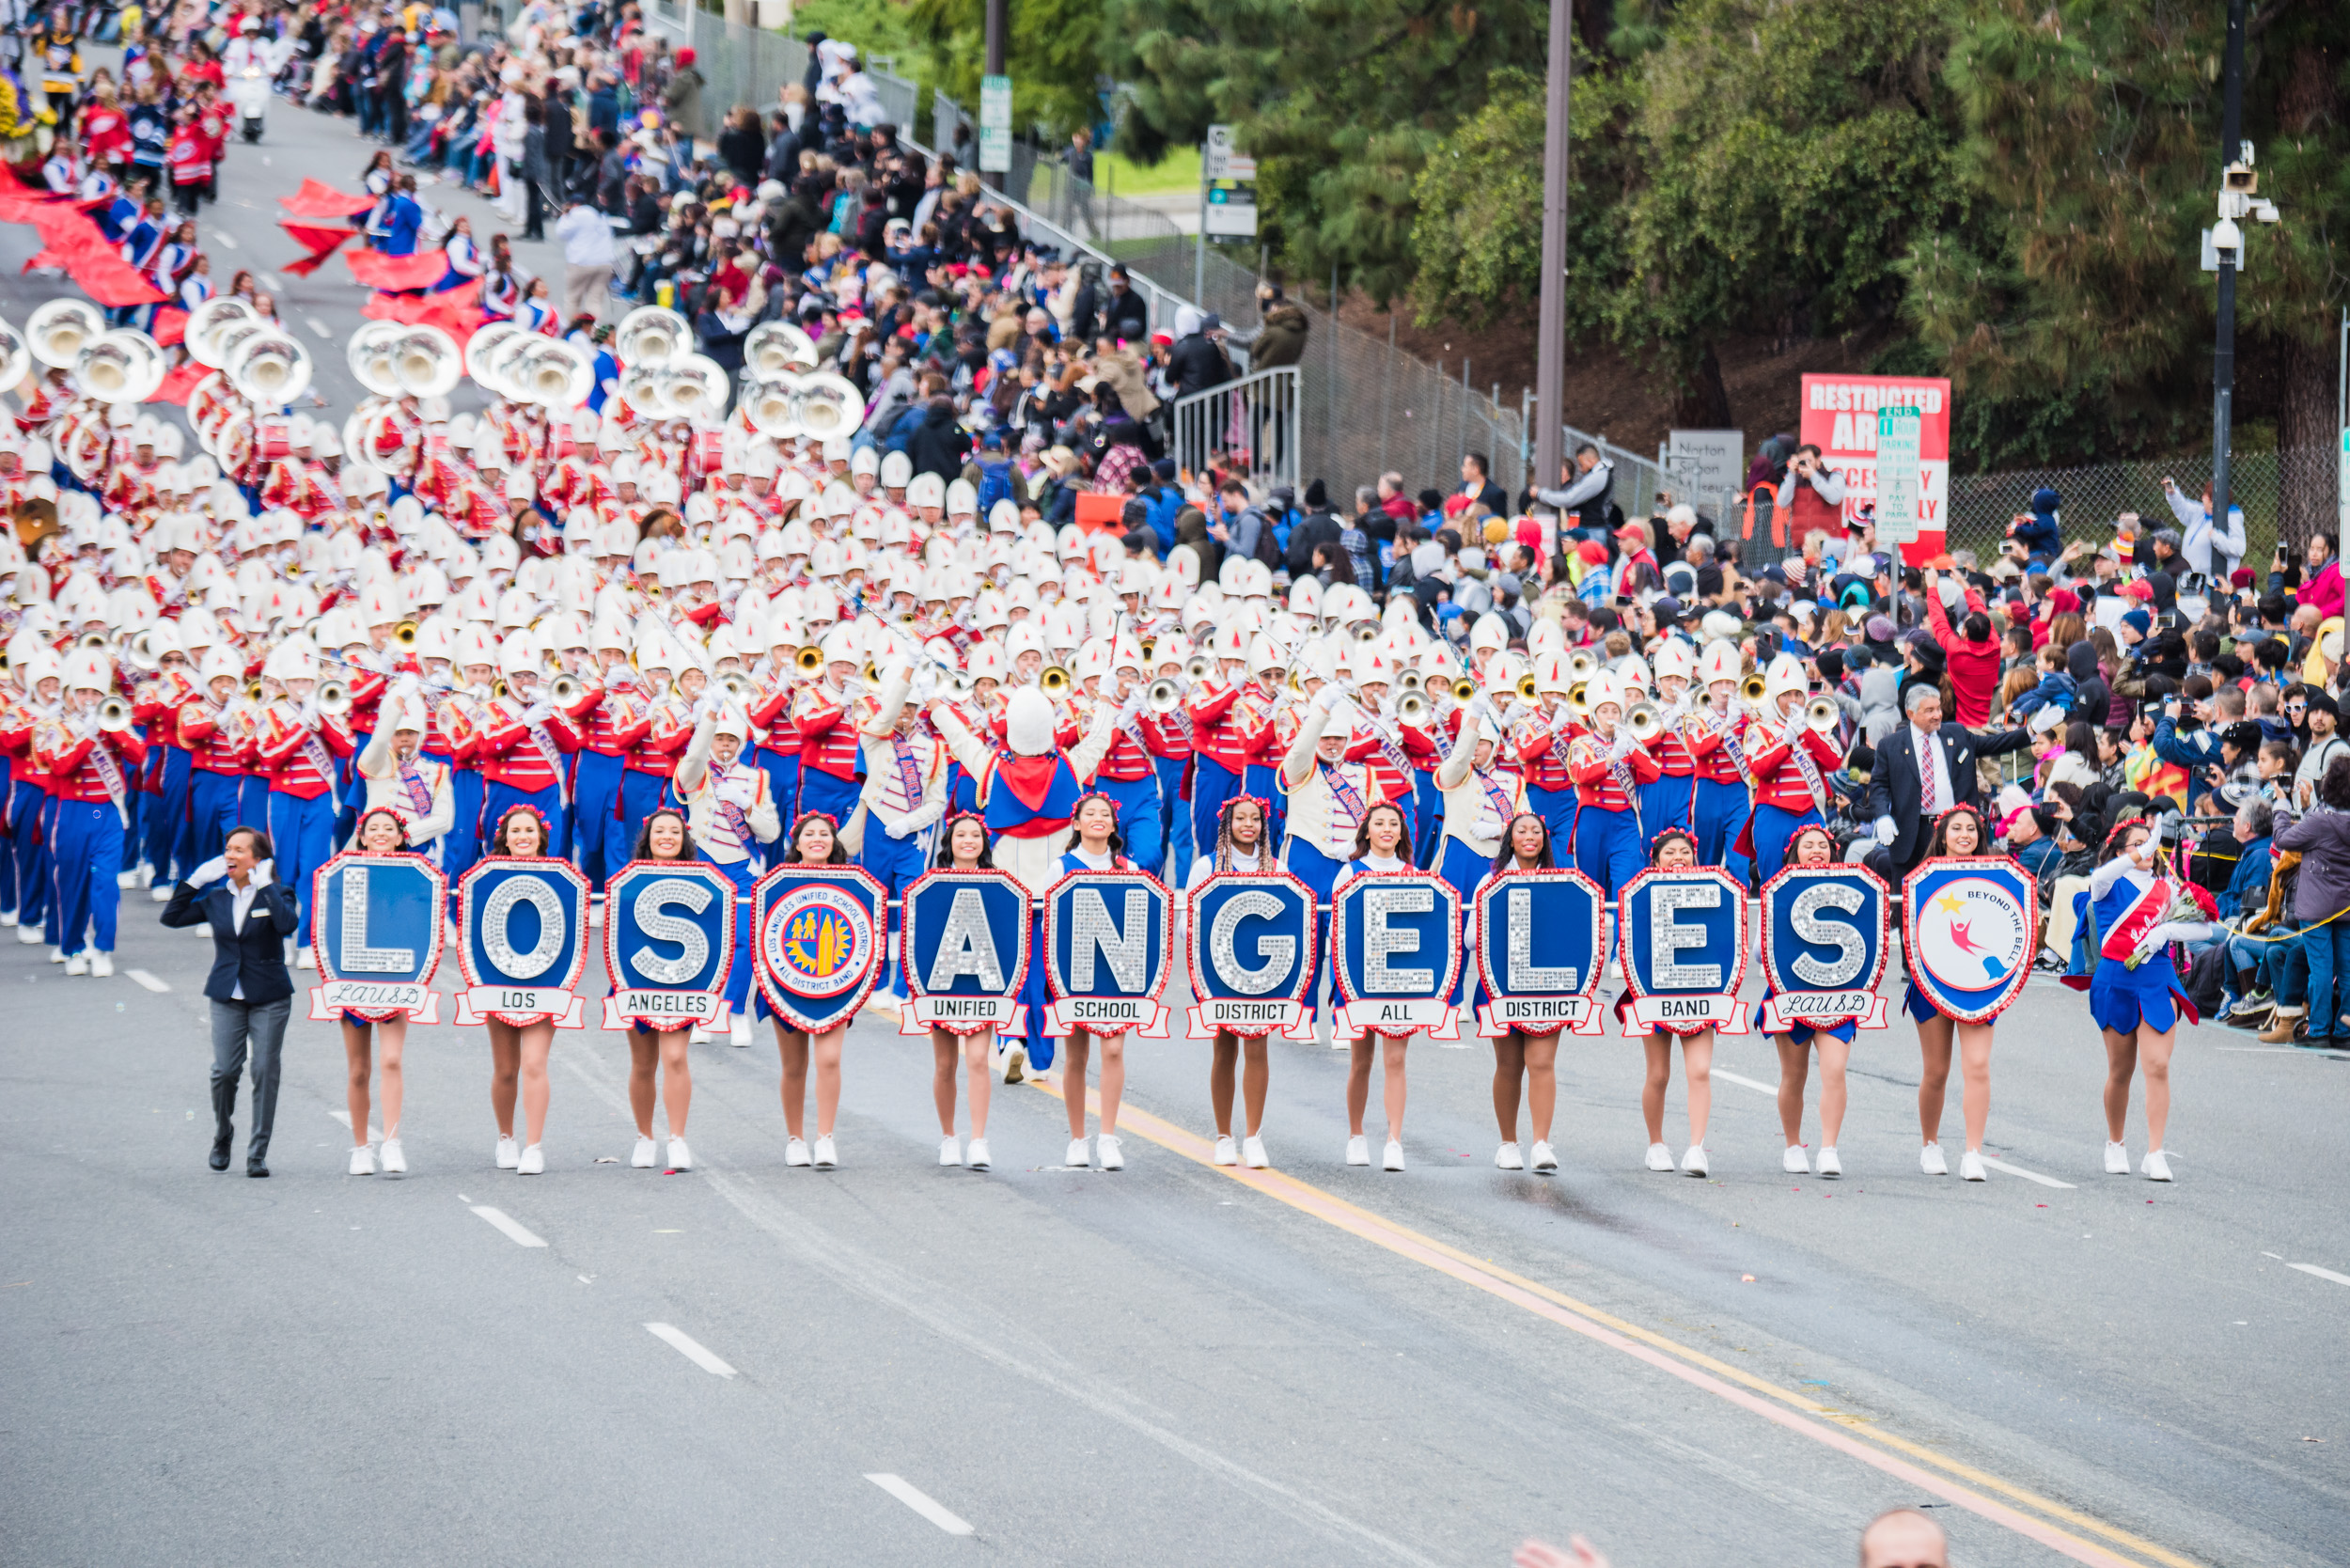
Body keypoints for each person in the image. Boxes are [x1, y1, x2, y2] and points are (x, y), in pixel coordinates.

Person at [2076, 815, 2217, 1183]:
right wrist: (2142, 848)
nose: (2146, 850)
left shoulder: (2167, 889)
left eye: (2150, 843)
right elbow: (2099, 877)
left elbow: (2208, 928)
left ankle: (2155, 1152)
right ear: (2119, 851)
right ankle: (2116, 1142)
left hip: (2157, 979)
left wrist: (2167, 930)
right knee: (2120, 1070)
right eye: (2136, 843)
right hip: (2116, 979)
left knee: (2157, 1065)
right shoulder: (2108, 885)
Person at [163, 825, 297, 1177]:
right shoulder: (217, 899)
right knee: (224, 1071)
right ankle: (223, 1134)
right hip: (226, 995)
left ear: (258, 859)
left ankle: (257, 1152)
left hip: (269, 996)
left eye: (239, 850)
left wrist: (266, 885)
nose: (230, 856)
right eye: (228, 849)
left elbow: (287, 926)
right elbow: (171, 918)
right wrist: (194, 881)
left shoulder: (279, 893)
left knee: (264, 1070)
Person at [1904, 805, 2023, 1181]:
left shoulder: (2000, 875)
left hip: (1980, 985)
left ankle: (1973, 1151)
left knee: (1977, 1066)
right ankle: (1930, 1144)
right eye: (1956, 829)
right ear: (1941, 836)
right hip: (1932, 981)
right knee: (1936, 1071)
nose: (1964, 835)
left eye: (1971, 829)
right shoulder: (1922, 877)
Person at [673, 698, 780, 1047]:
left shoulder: (757, 778)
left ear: (741, 744)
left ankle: (734, 1012)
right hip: (704, 864)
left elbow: (771, 833)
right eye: (719, 738)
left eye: (731, 739)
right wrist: (708, 718)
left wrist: (747, 804)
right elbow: (689, 764)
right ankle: (702, 1011)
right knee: (700, 939)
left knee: (743, 942)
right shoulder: (698, 773)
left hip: (743, 867)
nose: (724, 745)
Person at [329, 808, 427, 1175]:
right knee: (358, 1070)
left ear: (401, 836)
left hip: (395, 981)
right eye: (374, 829)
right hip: (354, 979)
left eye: (389, 828)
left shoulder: (415, 876)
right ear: (363, 836)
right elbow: (329, 926)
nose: (382, 833)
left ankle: (392, 1141)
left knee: (391, 1060)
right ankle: (359, 1146)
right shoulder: (343, 872)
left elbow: (421, 929)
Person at [1330, 802, 1422, 1170]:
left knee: (1396, 1059)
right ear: (1366, 831)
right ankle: (1356, 1135)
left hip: (1400, 977)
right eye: (1379, 823)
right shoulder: (1348, 872)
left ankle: (1394, 1141)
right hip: (1358, 977)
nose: (1387, 829)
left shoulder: (1415, 874)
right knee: (1361, 1061)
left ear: (1402, 832)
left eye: (1394, 824)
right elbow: (1338, 928)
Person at [1187, 795, 1277, 1168]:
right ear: (1227, 823)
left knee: (1257, 1048)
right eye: (1240, 818)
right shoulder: (1205, 867)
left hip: (1263, 975)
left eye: (1255, 819)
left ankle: (1253, 1136)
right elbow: (1187, 924)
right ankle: (1224, 1136)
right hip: (1217, 972)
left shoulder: (1277, 867)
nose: (1248, 825)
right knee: (1224, 1048)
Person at [1864, 682, 2029, 884]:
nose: (1937, 715)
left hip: (1954, 828)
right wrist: (1882, 816)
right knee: (1907, 900)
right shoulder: (1890, 745)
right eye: (1929, 710)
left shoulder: (1957, 733)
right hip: (1911, 832)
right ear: (1911, 713)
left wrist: (2031, 732)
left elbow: (1995, 744)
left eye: (1939, 708)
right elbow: (1879, 785)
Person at [1762, 824, 1855, 1176]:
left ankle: (1829, 1148)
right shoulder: (1779, 890)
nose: (1816, 850)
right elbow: (1762, 951)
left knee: (1834, 1070)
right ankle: (1792, 1145)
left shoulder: (1850, 887)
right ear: (1794, 852)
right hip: (1791, 992)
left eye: (1823, 845)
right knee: (1794, 1075)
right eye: (1808, 845)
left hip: (1838, 994)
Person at [1473, 812, 1562, 1172]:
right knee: (1509, 1066)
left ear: (1544, 839)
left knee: (1541, 1062)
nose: (1529, 837)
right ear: (1510, 838)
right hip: (1502, 985)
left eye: (1536, 831)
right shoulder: (1490, 880)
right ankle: (1508, 1143)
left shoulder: (1561, 881)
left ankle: (1541, 1143)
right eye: (1521, 831)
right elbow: (1469, 938)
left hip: (1549, 987)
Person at [1051, 792, 1136, 1169]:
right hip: (1073, 971)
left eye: (1106, 813)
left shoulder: (1129, 869)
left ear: (1114, 825)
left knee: (1114, 1050)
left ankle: (1107, 1136)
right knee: (1076, 1055)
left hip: (1117, 973)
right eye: (1090, 813)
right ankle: (1076, 1139)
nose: (1098, 818)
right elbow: (1048, 922)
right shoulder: (1061, 866)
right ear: (1076, 823)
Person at [767, 811, 854, 1168]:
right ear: (797, 842)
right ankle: (795, 1138)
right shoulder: (777, 882)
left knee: (829, 1060)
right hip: (786, 983)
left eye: (825, 834)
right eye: (809, 833)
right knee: (794, 1065)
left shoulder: (852, 882)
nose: (817, 839)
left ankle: (825, 1137)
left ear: (834, 843)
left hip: (836, 984)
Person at [617, 808, 699, 1170]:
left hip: (685, 980)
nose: (667, 837)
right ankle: (644, 1136)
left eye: (674, 832)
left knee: (677, 1058)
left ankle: (677, 1139)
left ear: (684, 841)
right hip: (637, 980)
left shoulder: (702, 880)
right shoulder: (627, 880)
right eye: (659, 831)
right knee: (643, 1063)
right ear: (647, 839)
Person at [480, 805, 561, 1175]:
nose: (523, 837)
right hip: (498, 982)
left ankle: (534, 1145)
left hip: (545, 982)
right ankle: (505, 1137)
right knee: (506, 1069)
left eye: (529, 830)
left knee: (534, 1064)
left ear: (541, 836)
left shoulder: (564, 878)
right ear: (504, 838)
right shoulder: (483, 877)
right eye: (515, 831)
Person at [1633, 827, 1716, 1174]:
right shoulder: (1639, 893)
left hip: (1700, 991)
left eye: (1685, 851)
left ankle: (1696, 1148)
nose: (1678, 857)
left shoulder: (1713, 891)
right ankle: (1656, 1143)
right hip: (1654, 990)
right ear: (1655, 860)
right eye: (1670, 852)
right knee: (1658, 1074)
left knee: (1699, 1070)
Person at [925, 812, 1001, 1170]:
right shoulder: (931, 883)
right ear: (949, 842)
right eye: (960, 835)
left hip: (983, 983)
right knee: (945, 1063)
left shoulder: (1000, 885)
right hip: (942, 983)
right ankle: (948, 1136)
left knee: (977, 1060)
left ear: (985, 843)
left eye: (975, 835)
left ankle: (978, 1139)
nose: (968, 841)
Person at [2275, 757, 2350, 1051]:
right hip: (2346, 906)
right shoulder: (2327, 819)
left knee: (2321, 966)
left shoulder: (2321, 821)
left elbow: (2285, 838)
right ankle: (2344, 1031)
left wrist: (2282, 806)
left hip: (2317, 905)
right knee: (2346, 969)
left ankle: (2318, 1028)